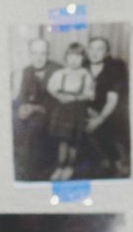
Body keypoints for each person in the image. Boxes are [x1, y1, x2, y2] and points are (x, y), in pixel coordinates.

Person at [46, 42, 96, 181]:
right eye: (71, 56)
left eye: (78, 57)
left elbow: (90, 94)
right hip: (62, 110)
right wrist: (59, 96)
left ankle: (70, 166)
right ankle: (60, 166)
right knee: (63, 140)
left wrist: (74, 97)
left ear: (83, 58)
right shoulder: (60, 73)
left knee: (74, 141)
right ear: (66, 58)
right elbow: (51, 88)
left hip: (77, 110)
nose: (74, 60)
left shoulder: (85, 74)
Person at [10, 36, 57, 181]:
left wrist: (35, 108)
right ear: (30, 54)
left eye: (43, 53)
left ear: (48, 54)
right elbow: (16, 97)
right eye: (35, 53)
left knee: (34, 126)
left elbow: (60, 101)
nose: (39, 57)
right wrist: (20, 108)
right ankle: (20, 170)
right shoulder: (23, 72)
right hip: (27, 110)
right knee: (15, 122)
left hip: (50, 112)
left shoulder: (58, 70)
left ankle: (34, 172)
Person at [84, 34, 129, 178]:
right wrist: (87, 109)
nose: (95, 52)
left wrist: (99, 118)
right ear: (87, 50)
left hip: (107, 111)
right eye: (92, 48)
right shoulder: (82, 67)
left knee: (110, 125)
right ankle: (100, 159)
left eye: (100, 49)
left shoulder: (114, 70)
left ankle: (116, 161)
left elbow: (112, 100)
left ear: (106, 53)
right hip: (85, 109)